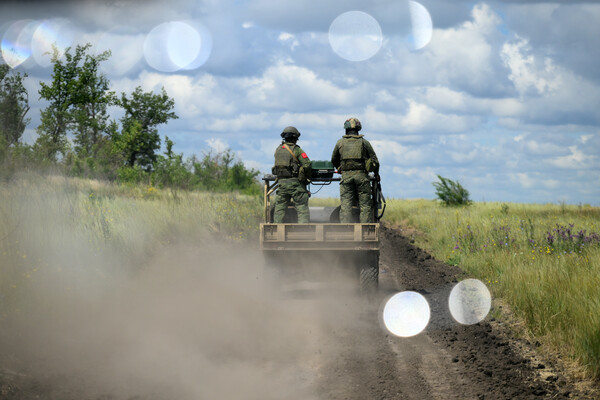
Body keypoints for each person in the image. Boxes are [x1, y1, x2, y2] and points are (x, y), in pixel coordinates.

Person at [331, 117, 379, 223]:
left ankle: (345, 229)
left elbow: (334, 160)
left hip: (346, 177)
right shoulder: (364, 143)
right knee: (365, 205)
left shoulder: (340, 143)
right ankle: (365, 229)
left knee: (345, 205)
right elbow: (375, 161)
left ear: (346, 129)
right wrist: (376, 174)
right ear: (358, 129)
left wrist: (340, 169)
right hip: (362, 177)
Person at [272, 126, 312, 223]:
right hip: (296, 185)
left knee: (279, 209)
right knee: (302, 208)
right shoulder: (297, 150)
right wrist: (306, 177)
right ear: (295, 138)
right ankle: (304, 230)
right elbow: (307, 164)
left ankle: (277, 229)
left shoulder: (278, 149)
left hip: (282, 184)